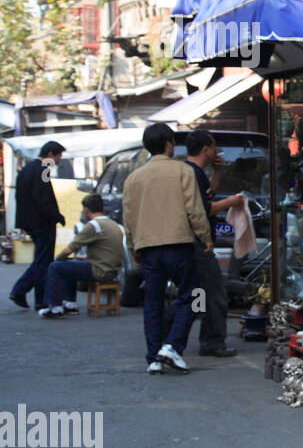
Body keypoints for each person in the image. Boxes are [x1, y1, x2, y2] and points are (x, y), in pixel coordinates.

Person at [122, 123, 212, 374]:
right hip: (179, 244)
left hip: (148, 248)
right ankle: (172, 346)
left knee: (152, 303)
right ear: (170, 144)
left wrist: (133, 248)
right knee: (193, 296)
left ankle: (153, 357)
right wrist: (205, 237)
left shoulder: (133, 178)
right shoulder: (183, 171)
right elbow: (194, 209)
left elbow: (128, 218)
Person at [185, 130, 243, 357]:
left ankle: (206, 339)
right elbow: (204, 209)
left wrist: (217, 171)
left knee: (199, 294)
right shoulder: (191, 173)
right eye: (214, 147)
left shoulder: (197, 173)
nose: (216, 151)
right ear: (205, 149)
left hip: (197, 242)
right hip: (200, 243)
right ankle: (213, 341)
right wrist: (231, 202)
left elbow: (209, 194)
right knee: (215, 293)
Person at [38, 193, 124, 318]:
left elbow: (70, 249)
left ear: (86, 210)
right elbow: (106, 252)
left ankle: (55, 307)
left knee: (56, 266)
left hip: (99, 271)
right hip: (111, 269)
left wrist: (57, 258)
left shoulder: (93, 226)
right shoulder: (112, 224)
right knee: (71, 264)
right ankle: (70, 304)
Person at [9, 140, 66, 311]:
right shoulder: (43, 171)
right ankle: (36, 297)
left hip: (29, 222)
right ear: (50, 155)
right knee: (43, 261)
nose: (58, 161)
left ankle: (23, 291)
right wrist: (57, 216)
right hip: (42, 222)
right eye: (58, 157)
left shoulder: (26, 169)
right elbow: (44, 199)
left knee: (40, 260)